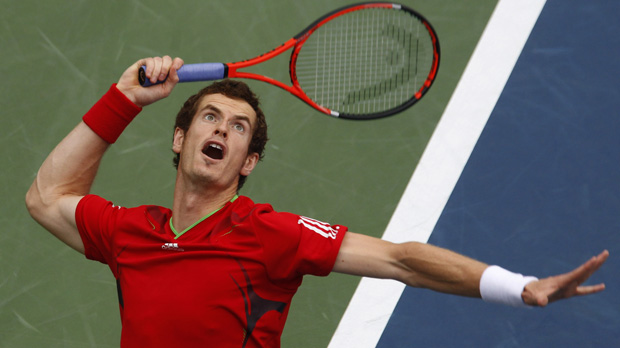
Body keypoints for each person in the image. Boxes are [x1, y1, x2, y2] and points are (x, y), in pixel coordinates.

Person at [26, 56, 609, 348]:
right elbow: (48, 196)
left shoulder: (268, 234)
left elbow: (401, 259)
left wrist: (519, 285)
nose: (222, 131)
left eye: (238, 128)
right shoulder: (130, 233)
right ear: (180, 139)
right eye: (210, 117)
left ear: (247, 162)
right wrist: (123, 98)